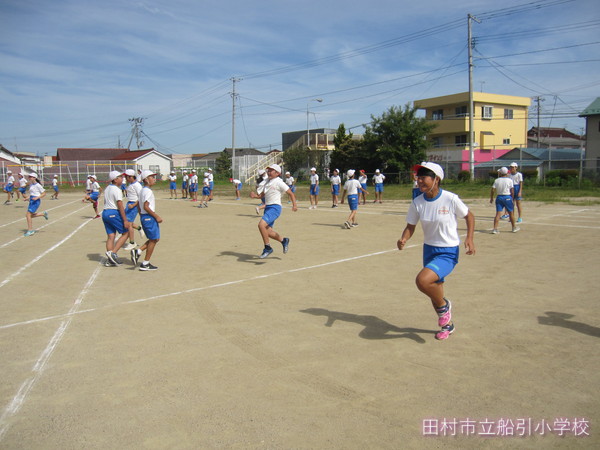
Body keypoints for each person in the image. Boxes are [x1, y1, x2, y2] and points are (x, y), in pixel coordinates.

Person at [397, 162, 475, 340]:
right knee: (435, 288)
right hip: (429, 249)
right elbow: (410, 226)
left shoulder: (450, 199)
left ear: (436, 179)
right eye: (418, 177)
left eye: (423, 177)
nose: (419, 181)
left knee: (423, 281)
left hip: (448, 251)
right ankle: (447, 325)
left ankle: (444, 306)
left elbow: (469, 216)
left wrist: (469, 238)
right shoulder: (417, 202)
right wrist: (404, 238)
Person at [249, 164, 297, 258]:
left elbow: (291, 193)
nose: (269, 172)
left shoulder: (279, 182)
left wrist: (294, 205)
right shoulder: (267, 182)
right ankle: (283, 240)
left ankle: (267, 248)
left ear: (277, 173)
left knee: (261, 225)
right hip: (268, 208)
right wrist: (255, 196)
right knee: (267, 231)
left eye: (271, 170)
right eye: (268, 170)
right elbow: (262, 195)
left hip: (275, 208)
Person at [131, 170, 163, 271]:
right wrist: (156, 216)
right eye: (152, 177)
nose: (154, 179)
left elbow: (139, 206)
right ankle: (145, 263)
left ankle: (138, 251)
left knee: (155, 239)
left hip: (145, 216)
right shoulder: (147, 191)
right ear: (146, 179)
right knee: (153, 240)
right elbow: (146, 206)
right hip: (149, 217)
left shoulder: (142, 191)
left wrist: (142, 216)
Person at [102, 171, 130, 266]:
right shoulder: (117, 190)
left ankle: (110, 260)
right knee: (126, 233)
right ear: (115, 179)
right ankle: (113, 253)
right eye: (120, 177)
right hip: (113, 212)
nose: (122, 179)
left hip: (105, 212)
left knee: (111, 236)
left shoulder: (107, 188)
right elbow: (120, 204)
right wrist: (125, 220)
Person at [491, 167, 519, 234]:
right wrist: (512, 198)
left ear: (500, 173)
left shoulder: (497, 180)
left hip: (499, 197)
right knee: (511, 213)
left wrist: (491, 198)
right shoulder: (509, 180)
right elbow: (512, 190)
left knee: (498, 213)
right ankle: (514, 227)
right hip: (507, 197)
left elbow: (492, 190)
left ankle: (495, 229)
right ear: (507, 173)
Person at [123, 169, 145, 251]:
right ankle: (139, 228)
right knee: (126, 222)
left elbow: (140, 198)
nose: (126, 178)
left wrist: (133, 205)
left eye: (127, 177)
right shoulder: (131, 184)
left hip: (133, 205)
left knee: (129, 224)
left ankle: (132, 242)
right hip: (129, 204)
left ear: (131, 177)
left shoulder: (137, 185)